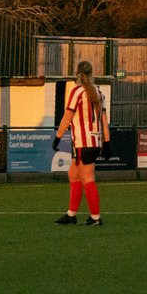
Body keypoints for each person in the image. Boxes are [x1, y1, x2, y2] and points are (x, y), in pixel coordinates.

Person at [57, 60, 107, 227]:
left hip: (83, 143)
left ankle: (95, 217)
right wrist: (107, 142)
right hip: (95, 141)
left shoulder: (77, 92)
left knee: (87, 178)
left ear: (77, 74)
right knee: (73, 174)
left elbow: (67, 117)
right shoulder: (98, 92)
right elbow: (104, 120)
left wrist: (58, 137)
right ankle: (71, 214)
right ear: (91, 74)